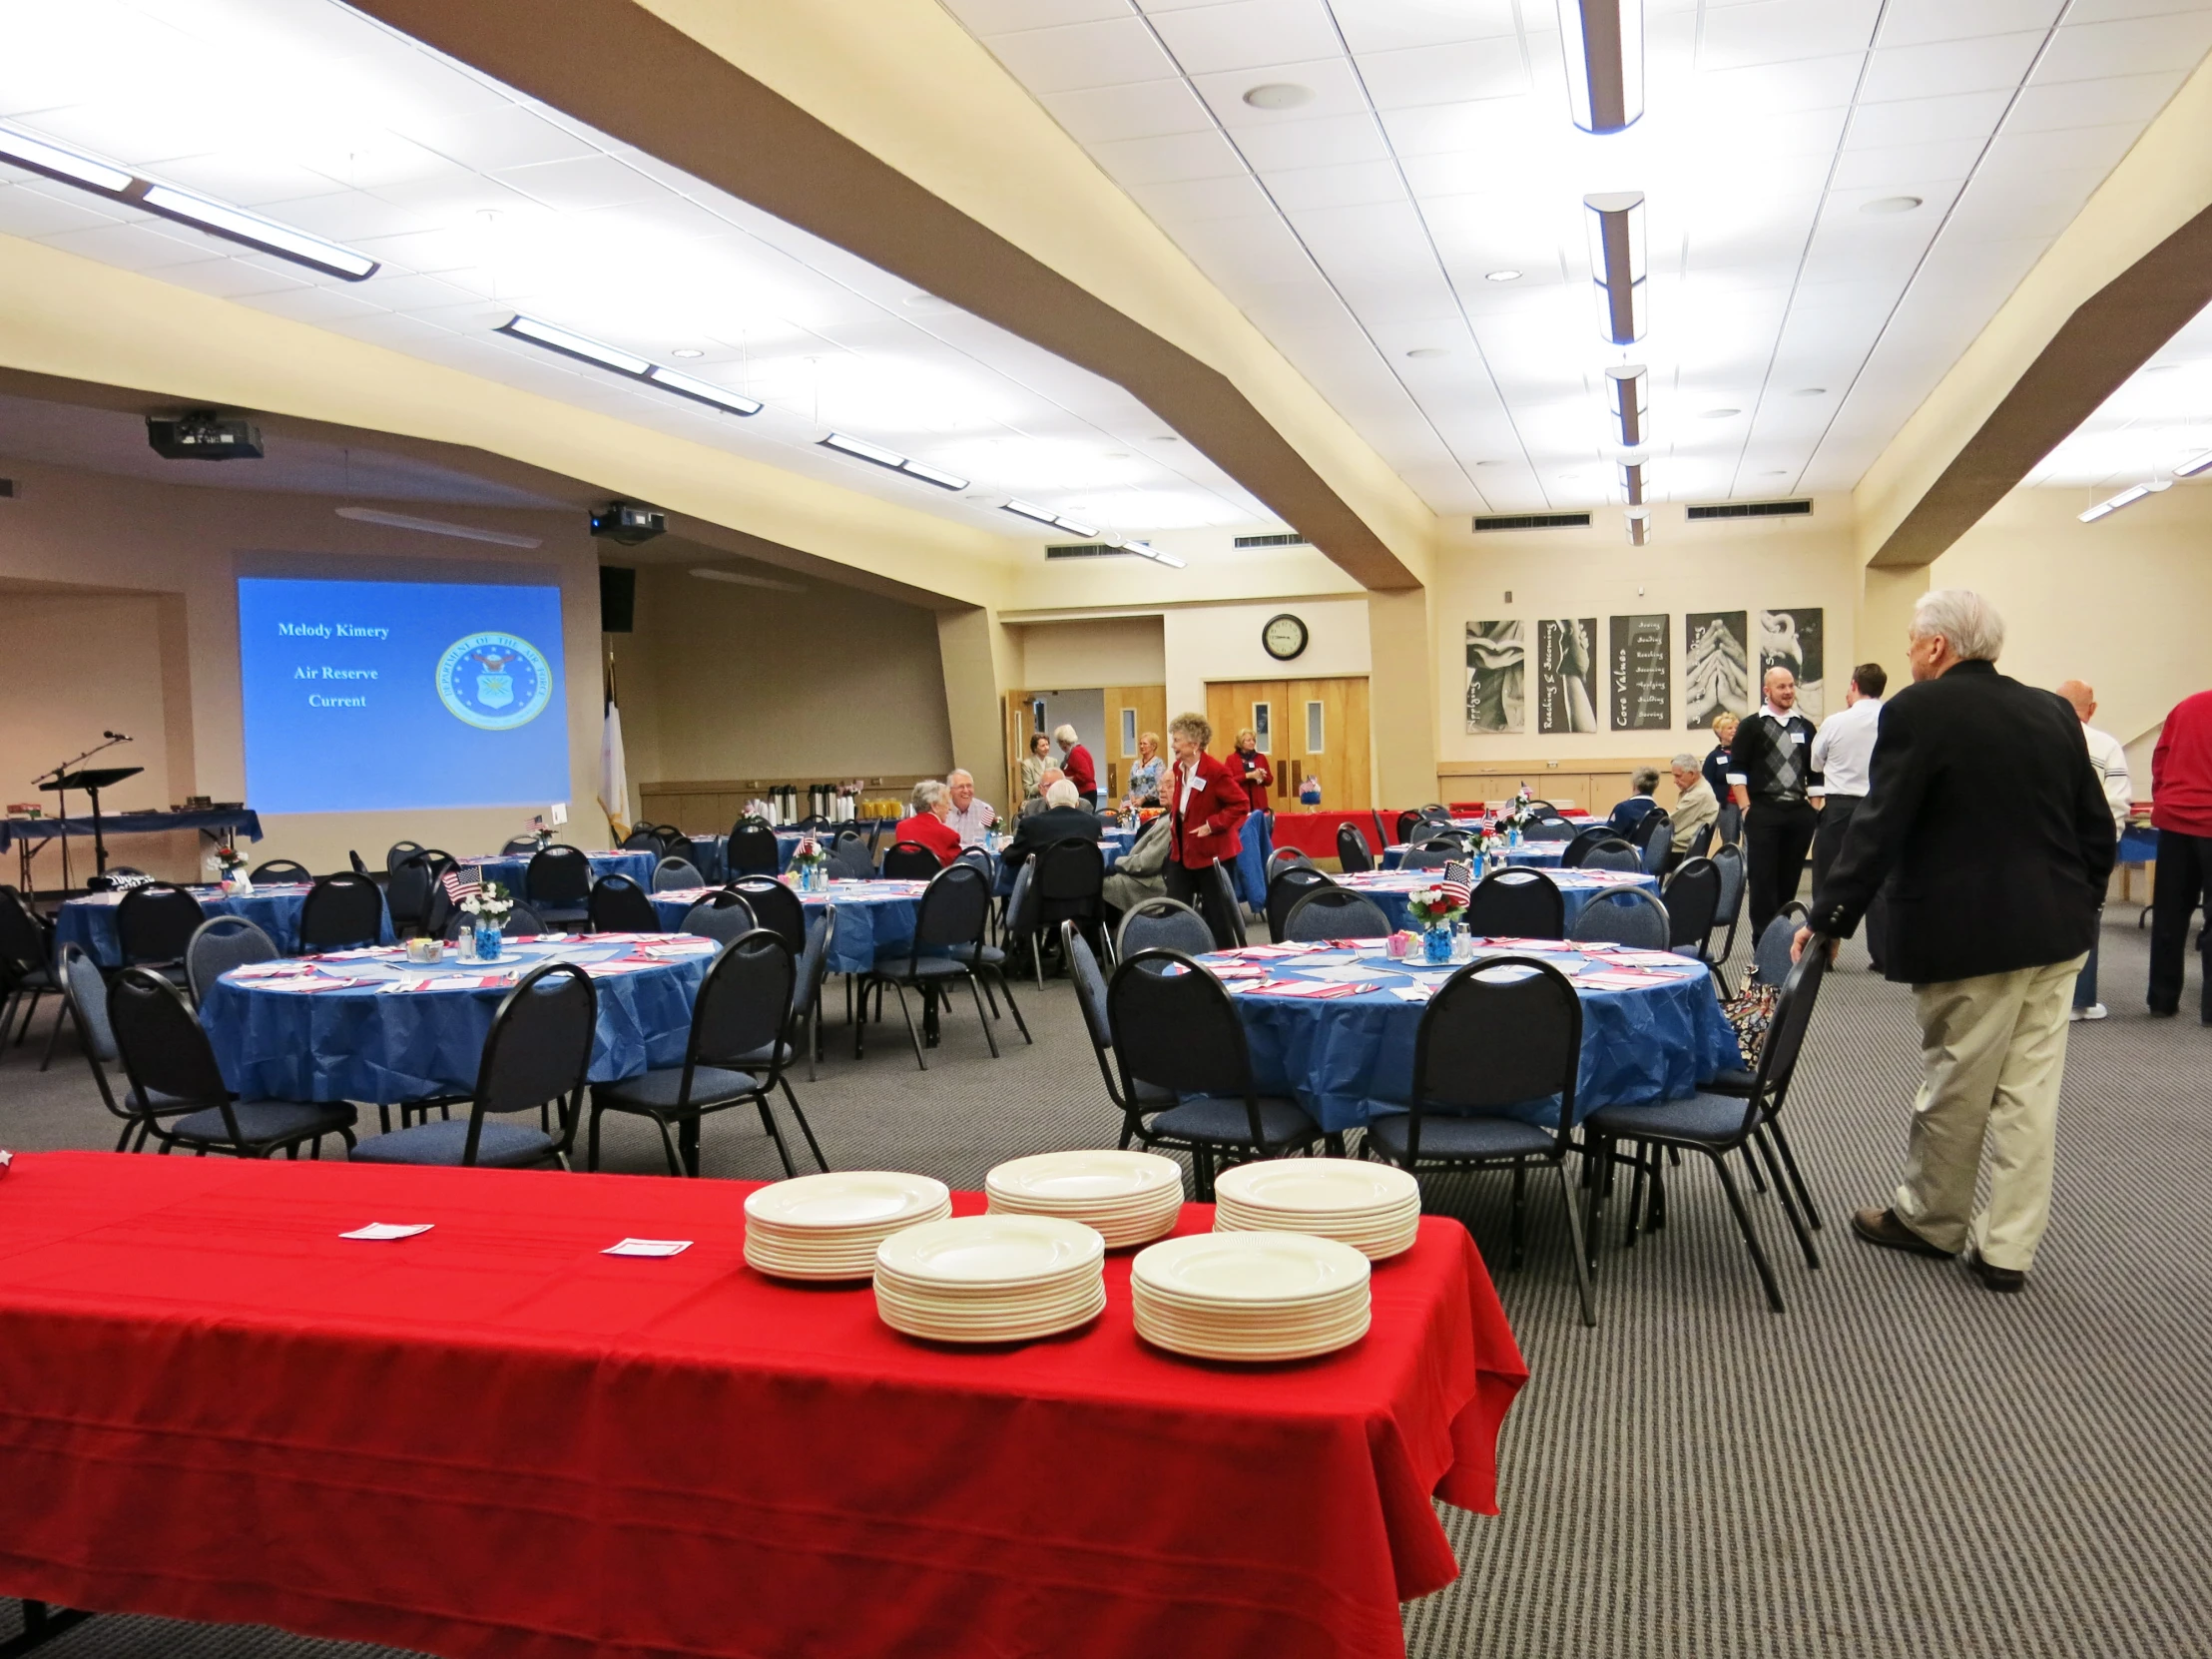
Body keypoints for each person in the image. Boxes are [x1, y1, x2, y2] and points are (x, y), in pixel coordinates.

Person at [1801, 590, 2114, 1294]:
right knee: (2030, 1096)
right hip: (2057, 931)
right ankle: (2007, 1248)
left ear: (1937, 646)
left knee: (1956, 1082)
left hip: (1971, 936)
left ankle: (1930, 1220)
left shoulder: (1918, 710)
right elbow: (2096, 826)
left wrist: (1828, 918)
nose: (1910, 652)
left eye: (1914, 640)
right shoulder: (2051, 710)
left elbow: (1878, 826)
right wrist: (2084, 902)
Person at [2055, 680, 2130, 1022]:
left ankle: (2049, 999)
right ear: (2092, 709)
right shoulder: (2107, 746)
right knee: (2088, 918)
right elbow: (2117, 804)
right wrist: (2108, 845)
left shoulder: (2043, 739)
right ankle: (2081, 1001)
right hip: (2089, 849)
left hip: (2049, 845)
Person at [1810, 663, 1890, 970]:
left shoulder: (1836, 721)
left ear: (1854, 684)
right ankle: (1883, 956)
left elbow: (1816, 762)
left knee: (1828, 878)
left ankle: (1824, 953)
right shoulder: (1892, 717)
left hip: (1840, 807)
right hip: (1878, 804)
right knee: (1880, 881)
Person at [1733, 667, 1820, 940]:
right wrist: (1746, 809)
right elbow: (1737, 771)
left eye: (1791, 686)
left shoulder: (1805, 727)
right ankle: (1763, 939)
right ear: (1766, 691)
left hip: (1798, 814)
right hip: (1762, 812)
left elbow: (1815, 772)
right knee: (1762, 880)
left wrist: (1815, 810)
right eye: (1781, 687)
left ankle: (1781, 935)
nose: (1788, 692)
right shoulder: (1751, 726)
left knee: (1789, 879)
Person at [2148, 686, 2212, 1021]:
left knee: (2170, 914)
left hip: (2175, 820)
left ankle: (2162, 999)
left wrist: (2165, 798)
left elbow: (2161, 758)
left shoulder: (2186, 706)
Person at [1163, 711, 1249, 947]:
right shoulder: (1179, 768)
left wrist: (1212, 824)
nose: (1173, 745)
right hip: (1183, 851)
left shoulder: (1215, 771)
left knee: (1217, 917)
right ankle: (1178, 958)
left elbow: (1241, 804)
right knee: (1175, 910)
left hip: (1213, 855)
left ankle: (1229, 964)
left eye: (1177, 740)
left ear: (1195, 743)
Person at [1004, 778, 1104, 870]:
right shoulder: (1093, 824)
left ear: (1047, 800)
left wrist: (1005, 849)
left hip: (1043, 886)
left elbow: (1012, 858)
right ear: (1077, 802)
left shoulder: (1031, 824)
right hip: (1086, 886)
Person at [1101, 813, 1173, 919]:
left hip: (1151, 885)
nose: (1161, 794)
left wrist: (1116, 862)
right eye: (1159, 793)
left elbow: (1146, 864)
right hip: (1149, 877)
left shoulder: (1168, 822)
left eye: (1168, 793)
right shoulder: (1167, 818)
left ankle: (1108, 931)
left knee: (1097, 884)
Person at [891, 780, 962, 866]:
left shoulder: (901, 827)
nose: (950, 808)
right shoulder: (949, 835)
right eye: (947, 803)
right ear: (934, 806)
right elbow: (957, 869)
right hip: (935, 879)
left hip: (905, 877)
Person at [1667, 754, 1719, 851]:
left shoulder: (1699, 794)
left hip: (1681, 850)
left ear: (1692, 774)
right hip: (1686, 847)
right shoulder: (1699, 787)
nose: (1675, 781)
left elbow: (1672, 825)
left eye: (1678, 776)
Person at [941, 769, 997, 847]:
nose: (966, 790)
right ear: (950, 791)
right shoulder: (942, 810)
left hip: (977, 857)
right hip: (950, 857)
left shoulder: (986, 810)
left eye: (969, 786)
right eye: (961, 786)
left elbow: (993, 841)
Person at [1607, 767, 1662, 834]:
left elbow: (1608, 835)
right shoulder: (1659, 812)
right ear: (1654, 787)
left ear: (1635, 785)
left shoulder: (1622, 808)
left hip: (1623, 844)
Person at [1055, 725, 1098, 810]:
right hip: (1083, 792)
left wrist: (1066, 779)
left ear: (1064, 741)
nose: (1059, 745)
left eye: (1059, 742)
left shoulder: (1076, 753)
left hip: (1084, 793)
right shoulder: (1076, 751)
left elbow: (1085, 775)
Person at [1230, 729, 1273, 815]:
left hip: (1259, 804)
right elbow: (1229, 782)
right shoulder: (1231, 759)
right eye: (1248, 740)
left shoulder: (1261, 757)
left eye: (1253, 740)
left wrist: (1262, 776)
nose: (1252, 742)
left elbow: (1270, 780)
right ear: (1241, 742)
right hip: (1240, 802)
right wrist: (1248, 776)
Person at [1701, 711, 1740, 805]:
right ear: (1719, 732)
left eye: (1736, 728)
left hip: (1746, 803)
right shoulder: (1713, 757)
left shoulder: (1745, 753)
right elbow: (1706, 784)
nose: (1734, 730)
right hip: (1725, 806)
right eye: (1730, 728)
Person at [1124, 731, 1165, 808]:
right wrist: (1132, 798)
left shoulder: (1158, 763)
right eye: (1140, 743)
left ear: (1153, 746)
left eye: (1144, 744)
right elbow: (1130, 783)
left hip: (1152, 804)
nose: (1142, 746)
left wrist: (1143, 799)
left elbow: (1158, 785)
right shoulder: (1135, 764)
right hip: (1135, 804)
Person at [1019, 732, 1053, 801]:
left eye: (1047, 744)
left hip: (1051, 800)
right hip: (1035, 801)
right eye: (1042, 746)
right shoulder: (1027, 764)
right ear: (1035, 748)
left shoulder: (1053, 761)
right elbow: (1028, 790)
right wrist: (1044, 783)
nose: (1046, 748)